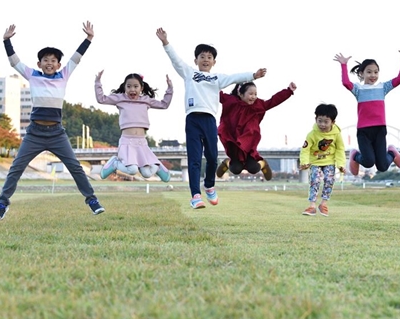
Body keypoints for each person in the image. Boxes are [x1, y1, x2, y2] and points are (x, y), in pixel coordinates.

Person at [0, 22, 105, 221]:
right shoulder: (32, 75)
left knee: (75, 167)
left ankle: (91, 200)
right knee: (16, 167)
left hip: (56, 134)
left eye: (53, 60)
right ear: (39, 64)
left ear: (59, 65)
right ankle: (2, 203)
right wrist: (6, 41)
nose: (49, 63)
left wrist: (88, 39)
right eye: (45, 60)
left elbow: (76, 58)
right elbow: (14, 62)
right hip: (34, 133)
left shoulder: (64, 75)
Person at [156, 28, 267, 209]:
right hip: (192, 119)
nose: (205, 59)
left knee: (212, 157)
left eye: (209, 57)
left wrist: (253, 75)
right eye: (202, 56)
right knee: (194, 159)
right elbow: (176, 60)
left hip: (209, 120)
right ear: (196, 60)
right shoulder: (189, 73)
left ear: (214, 62)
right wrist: (166, 43)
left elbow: (234, 77)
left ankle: (208, 185)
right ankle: (195, 195)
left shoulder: (217, 78)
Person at [334, 48, 400, 176]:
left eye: (375, 72)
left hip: (379, 130)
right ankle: (355, 155)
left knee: (383, 166)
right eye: (369, 72)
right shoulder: (358, 89)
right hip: (364, 131)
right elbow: (346, 83)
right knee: (368, 162)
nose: (373, 75)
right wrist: (343, 64)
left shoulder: (383, 87)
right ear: (361, 74)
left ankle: (391, 152)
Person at [95, 71, 173, 181]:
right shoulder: (120, 99)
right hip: (127, 142)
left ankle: (157, 165)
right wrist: (98, 82)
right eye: (129, 86)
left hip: (141, 142)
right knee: (132, 169)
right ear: (125, 88)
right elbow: (101, 99)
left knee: (146, 173)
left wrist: (169, 89)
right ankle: (115, 164)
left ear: (141, 88)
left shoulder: (145, 100)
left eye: (136, 86)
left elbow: (164, 104)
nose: (132, 89)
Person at [217, 81, 296, 180]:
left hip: (248, 144)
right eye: (250, 94)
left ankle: (263, 164)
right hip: (234, 143)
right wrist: (205, 79)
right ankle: (227, 163)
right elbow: (216, 93)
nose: (253, 97)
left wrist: (288, 91)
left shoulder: (258, 105)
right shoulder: (231, 101)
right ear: (240, 94)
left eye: (255, 94)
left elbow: (274, 101)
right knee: (236, 169)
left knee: (253, 168)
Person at [299, 103, 346, 217]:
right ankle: (312, 206)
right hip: (315, 162)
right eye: (319, 121)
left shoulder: (336, 134)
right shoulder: (312, 134)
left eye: (326, 121)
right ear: (315, 119)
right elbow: (305, 149)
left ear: (333, 122)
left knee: (329, 180)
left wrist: (341, 165)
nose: (322, 124)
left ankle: (323, 204)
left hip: (329, 162)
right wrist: (304, 162)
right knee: (314, 181)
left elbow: (340, 149)